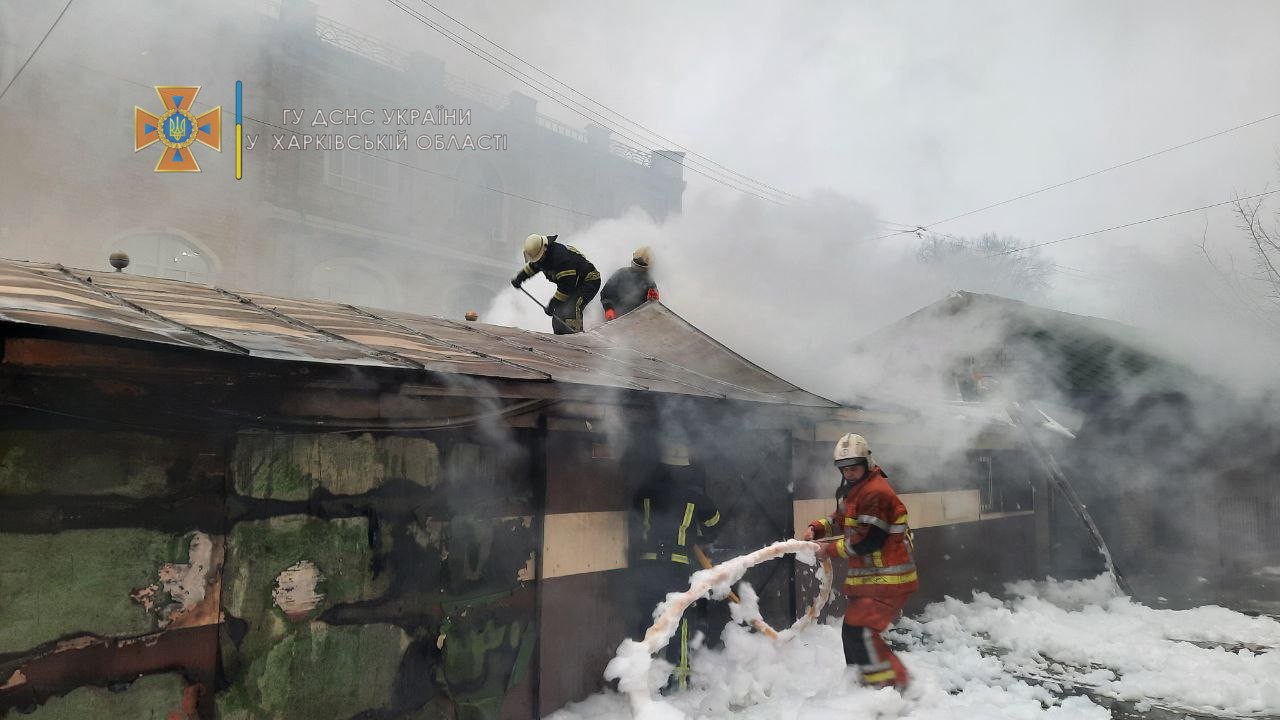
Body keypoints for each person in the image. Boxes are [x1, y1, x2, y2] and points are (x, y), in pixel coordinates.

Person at [803, 433, 918, 689]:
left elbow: (869, 541)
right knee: (852, 634)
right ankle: (861, 687)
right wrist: (817, 529)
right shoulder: (858, 492)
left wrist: (829, 550)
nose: (849, 473)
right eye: (844, 469)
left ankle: (891, 688)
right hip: (872, 581)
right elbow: (840, 518)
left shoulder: (875, 493)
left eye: (854, 468)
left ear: (867, 462)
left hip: (888, 580)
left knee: (862, 633)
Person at [630, 438, 721, 692]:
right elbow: (714, 524)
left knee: (647, 619)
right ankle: (677, 681)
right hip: (677, 567)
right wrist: (696, 536)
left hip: (647, 567)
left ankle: (641, 680)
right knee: (678, 621)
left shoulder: (643, 492)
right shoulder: (696, 497)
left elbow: (637, 516)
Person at [510, 233, 601, 334]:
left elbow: (566, 288)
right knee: (559, 312)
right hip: (573, 282)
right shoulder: (543, 256)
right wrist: (520, 278)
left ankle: (576, 338)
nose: (538, 261)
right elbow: (533, 266)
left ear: (544, 248)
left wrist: (552, 304)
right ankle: (561, 337)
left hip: (589, 281)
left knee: (572, 307)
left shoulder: (561, 259)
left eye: (539, 258)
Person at [600, 246, 659, 321]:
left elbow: (653, 306)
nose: (639, 263)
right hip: (614, 318)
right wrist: (609, 309)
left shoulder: (650, 282)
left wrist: (653, 300)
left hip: (636, 322)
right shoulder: (621, 273)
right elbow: (606, 293)